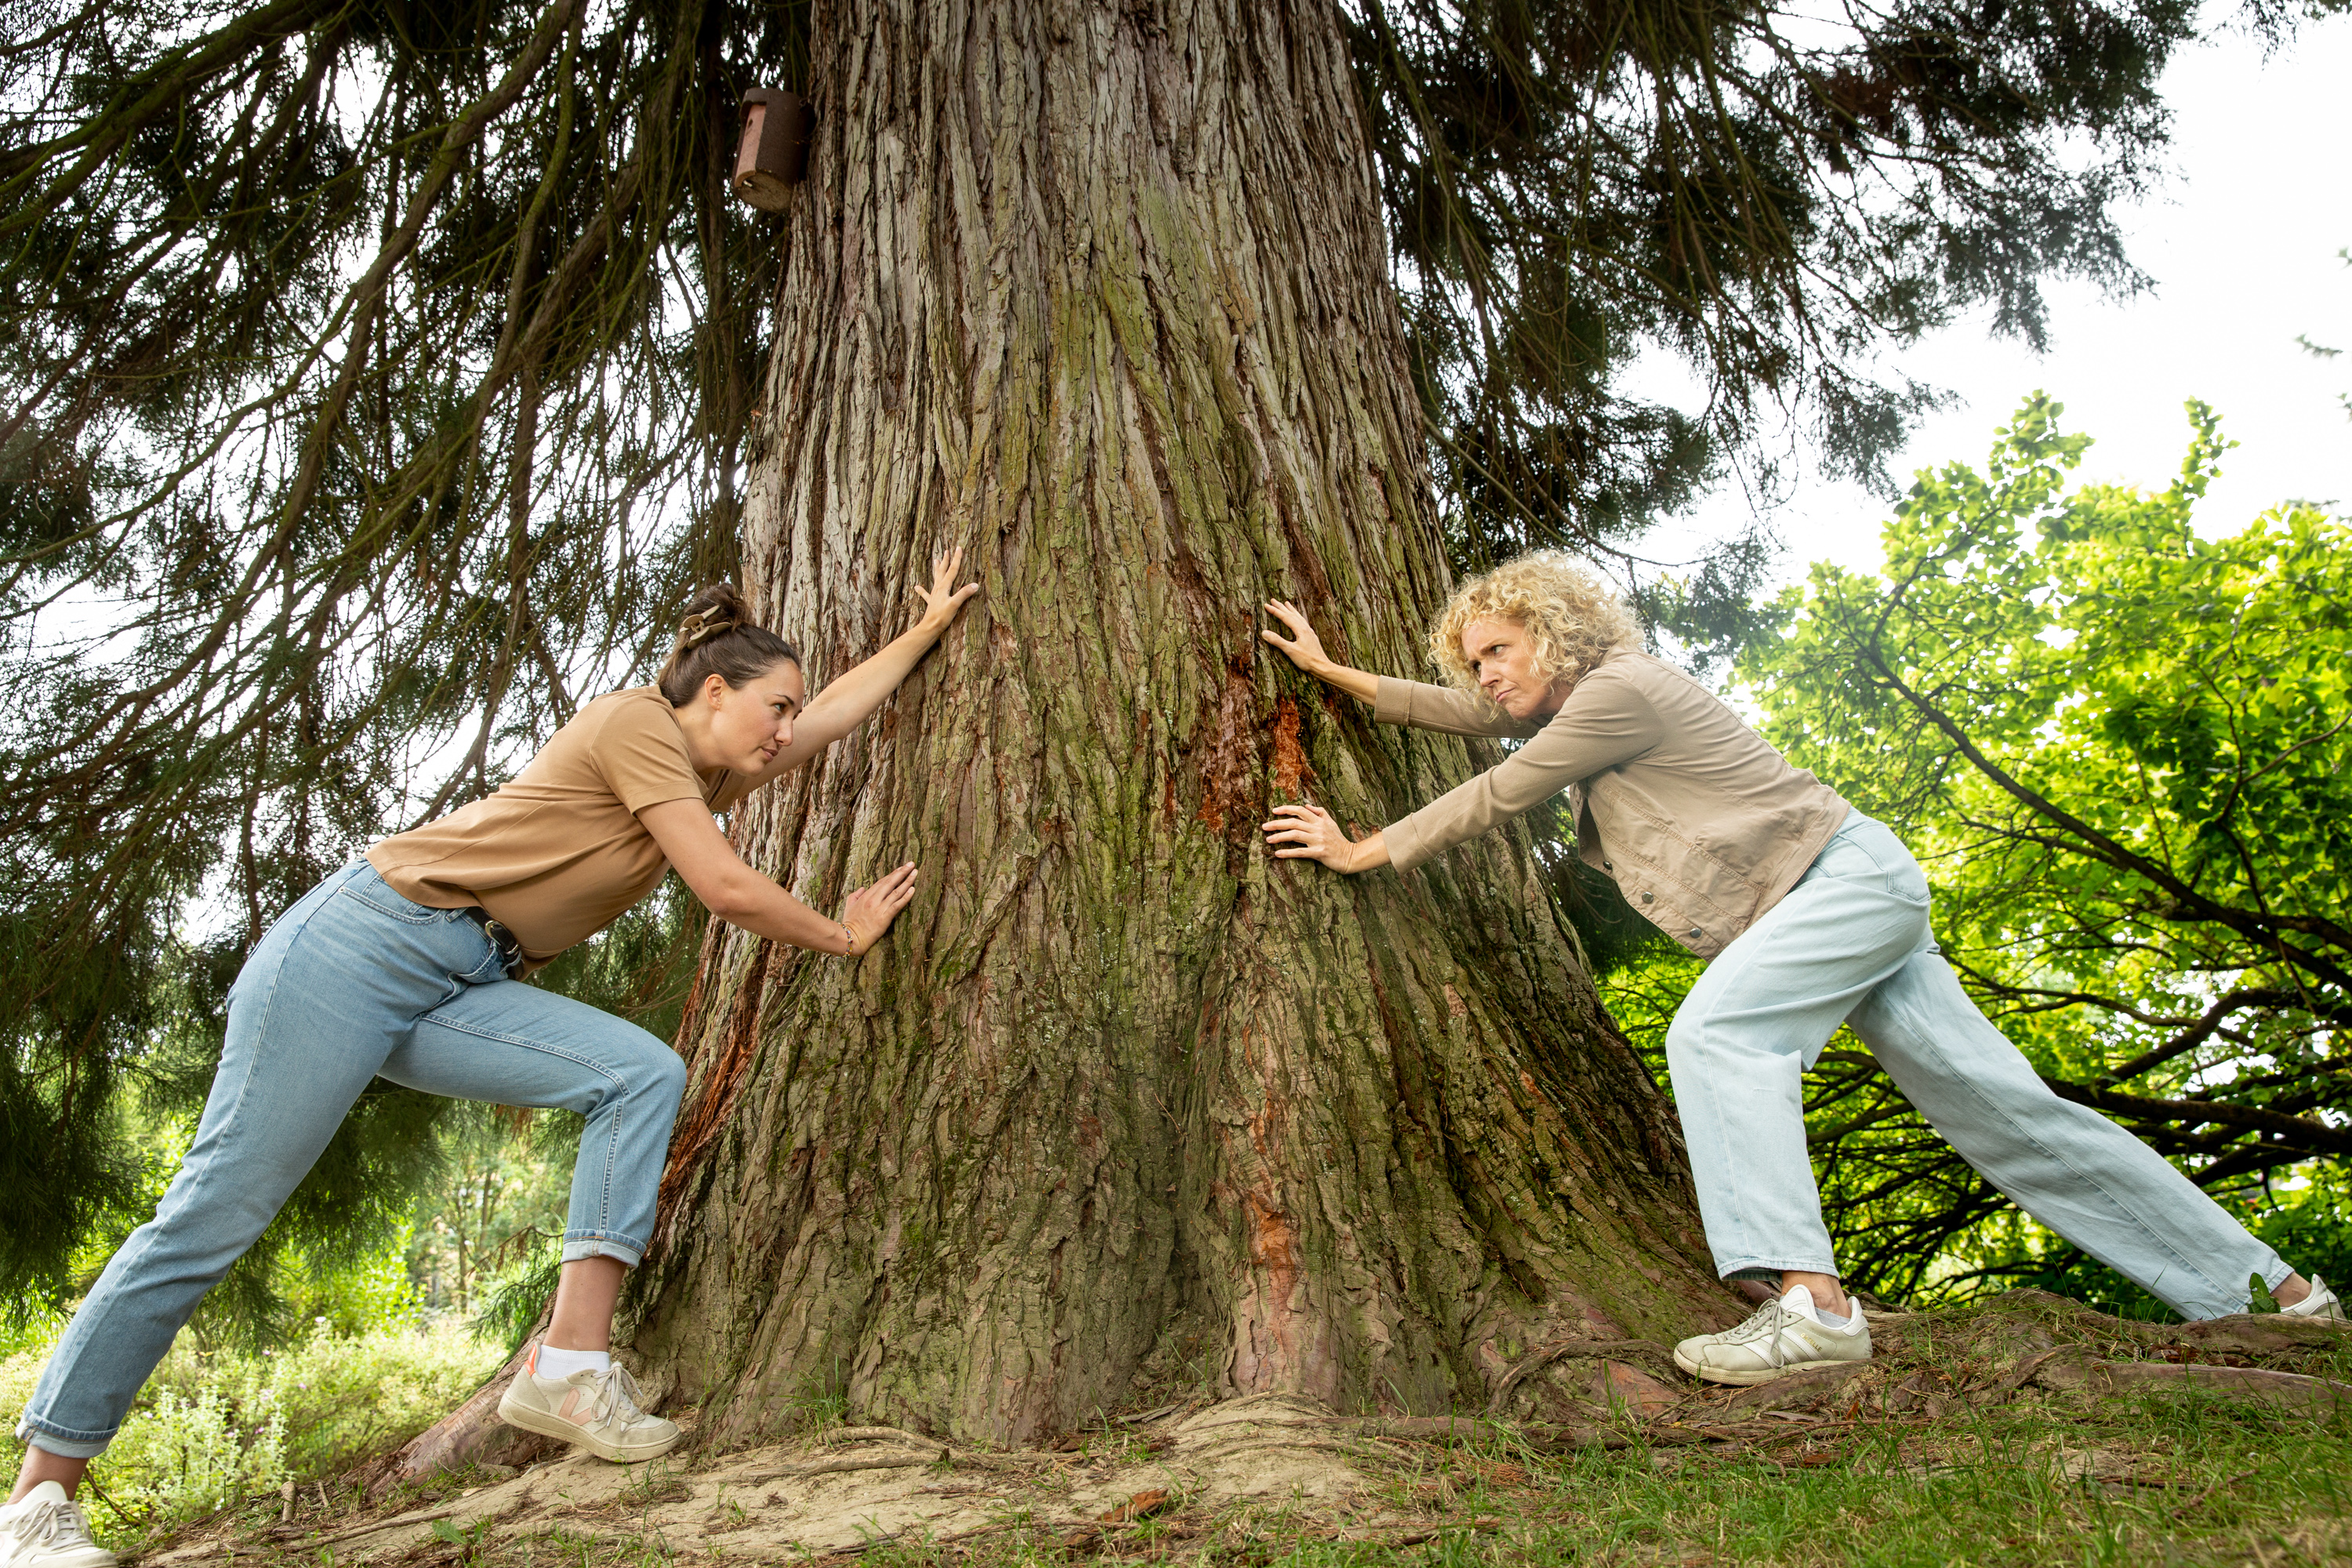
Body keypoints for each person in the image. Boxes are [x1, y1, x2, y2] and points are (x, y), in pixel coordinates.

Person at [2, 555, 979, 1566]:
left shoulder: (710, 764)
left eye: (791, 713)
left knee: (639, 1075)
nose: (786, 730)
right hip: (358, 950)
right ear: (715, 690)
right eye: (773, 705)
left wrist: (926, 629)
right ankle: (36, 1502)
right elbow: (726, 889)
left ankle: (568, 1366)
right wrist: (839, 932)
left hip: (467, 976)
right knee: (212, 1215)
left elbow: (828, 722)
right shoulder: (638, 723)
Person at [1257, 550, 2343, 1388]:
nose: (1485, 675)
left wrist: (1368, 848)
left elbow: (1504, 786)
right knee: (2016, 1119)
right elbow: (1469, 719)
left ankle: (1812, 1309)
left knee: (1720, 1036)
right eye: (1476, 662)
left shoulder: (1621, 689)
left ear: (1556, 633)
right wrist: (1330, 672)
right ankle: (2276, 1297)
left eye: (1498, 649)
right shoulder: (1579, 702)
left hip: (1841, 887)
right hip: (1841, 900)